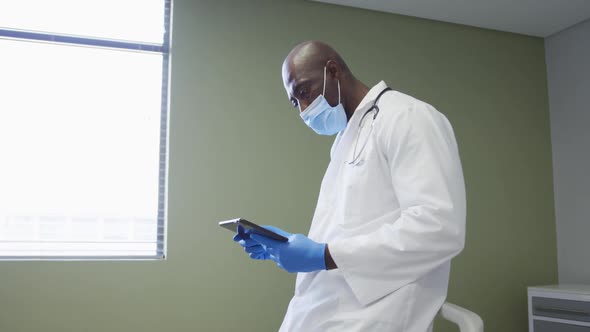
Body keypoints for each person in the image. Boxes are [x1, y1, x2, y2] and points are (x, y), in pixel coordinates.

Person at [233, 40, 466, 332]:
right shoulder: (346, 139)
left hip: (378, 317)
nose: (303, 109)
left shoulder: (409, 117)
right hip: (325, 310)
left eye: (304, 91)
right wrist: (290, 246)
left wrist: (324, 255)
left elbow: (439, 229)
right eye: (295, 102)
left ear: (333, 71)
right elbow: (348, 229)